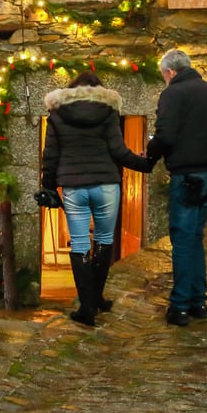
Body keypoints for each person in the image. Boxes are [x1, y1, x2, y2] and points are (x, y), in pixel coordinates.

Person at [39, 71, 154, 327]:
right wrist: (144, 164)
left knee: (79, 244)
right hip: (106, 185)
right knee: (104, 241)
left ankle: (87, 307)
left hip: (73, 187)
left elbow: (51, 156)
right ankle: (97, 298)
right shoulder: (108, 111)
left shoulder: (57, 113)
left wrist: (48, 188)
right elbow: (118, 151)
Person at [145, 49, 207, 327]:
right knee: (195, 238)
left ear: (170, 72)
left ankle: (180, 306)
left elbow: (165, 135)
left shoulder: (173, 94)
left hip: (188, 174)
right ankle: (199, 302)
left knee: (182, 240)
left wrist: (150, 152)